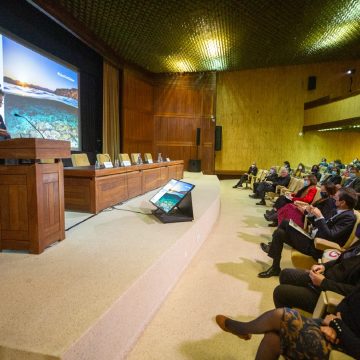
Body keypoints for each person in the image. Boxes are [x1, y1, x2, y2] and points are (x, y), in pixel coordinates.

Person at [215, 285, 360, 359]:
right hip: (336, 329)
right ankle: (241, 329)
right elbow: (348, 303)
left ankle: (240, 328)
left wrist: (337, 325)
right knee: (273, 337)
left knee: (282, 316)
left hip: (345, 350)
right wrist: (336, 323)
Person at [258, 187, 358, 278]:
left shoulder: (349, 217)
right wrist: (311, 214)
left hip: (318, 247)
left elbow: (330, 235)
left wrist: (320, 217)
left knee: (285, 223)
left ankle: (272, 250)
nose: (333, 198)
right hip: (312, 237)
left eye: (336, 198)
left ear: (343, 202)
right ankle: (275, 267)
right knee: (279, 232)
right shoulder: (337, 209)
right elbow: (319, 224)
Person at [273, 229, 360, 314]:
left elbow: (355, 292)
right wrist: (323, 266)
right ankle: (290, 311)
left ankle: (291, 324)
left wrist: (323, 282)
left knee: (279, 292)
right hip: (324, 276)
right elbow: (341, 259)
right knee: (285, 274)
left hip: (327, 292)